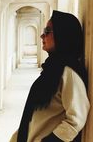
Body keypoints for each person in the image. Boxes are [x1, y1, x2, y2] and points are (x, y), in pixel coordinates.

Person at [10, 10, 90, 142]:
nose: (42, 36)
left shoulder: (68, 71)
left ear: (63, 35)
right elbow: (37, 115)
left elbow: (76, 119)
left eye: (47, 31)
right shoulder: (53, 68)